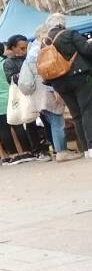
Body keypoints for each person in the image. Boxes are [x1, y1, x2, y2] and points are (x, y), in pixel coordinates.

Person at [38, 12, 92, 160]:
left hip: (58, 82)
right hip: (79, 76)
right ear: (62, 23)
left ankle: (86, 149)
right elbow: (87, 51)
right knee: (87, 110)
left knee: (76, 115)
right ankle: (91, 145)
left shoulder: (45, 42)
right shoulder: (69, 34)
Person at [2, 35, 50, 160]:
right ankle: (37, 150)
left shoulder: (31, 56)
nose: (24, 50)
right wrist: (27, 73)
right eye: (21, 48)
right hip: (24, 96)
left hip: (38, 93)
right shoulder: (9, 62)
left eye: (26, 47)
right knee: (30, 123)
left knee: (47, 119)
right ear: (13, 48)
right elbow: (11, 79)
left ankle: (53, 146)